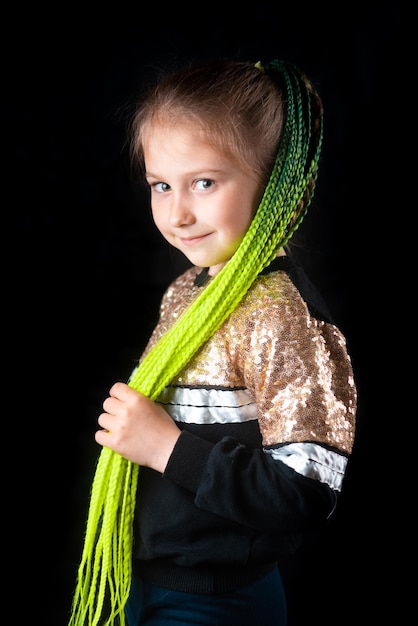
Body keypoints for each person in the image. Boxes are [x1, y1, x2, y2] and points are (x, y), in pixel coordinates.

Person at [68, 58, 357, 626]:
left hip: (218, 602)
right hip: (144, 580)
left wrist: (165, 448)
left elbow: (305, 491)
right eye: (161, 185)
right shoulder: (186, 290)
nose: (177, 212)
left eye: (204, 182)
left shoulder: (283, 318)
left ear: (273, 183)